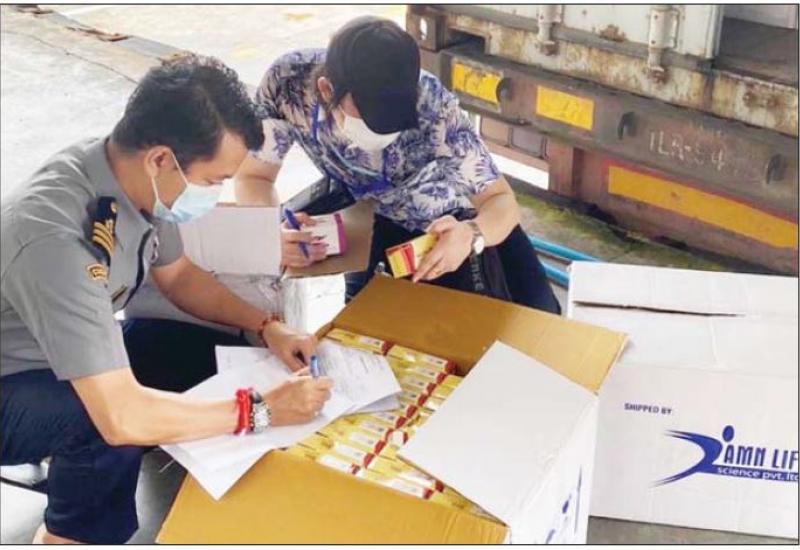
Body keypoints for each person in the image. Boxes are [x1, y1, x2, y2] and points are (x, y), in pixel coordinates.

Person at [0, 54, 332, 545]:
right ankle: (66, 537)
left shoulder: (131, 181)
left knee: (189, 346)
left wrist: (267, 327)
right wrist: (259, 410)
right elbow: (121, 417)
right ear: (160, 159)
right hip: (10, 382)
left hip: (53, 353)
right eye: (213, 182)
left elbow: (179, 278)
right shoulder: (55, 239)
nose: (215, 193)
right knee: (104, 426)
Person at [235, 16, 560, 314]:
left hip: (448, 222)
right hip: (368, 217)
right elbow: (254, 178)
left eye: (394, 121)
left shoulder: (431, 103)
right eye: (372, 118)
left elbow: (501, 201)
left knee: (540, 317)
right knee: (368, 329)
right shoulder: (287, 84)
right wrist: (270, 233)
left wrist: (472, 235)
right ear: (326, 89)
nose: (384, 133)